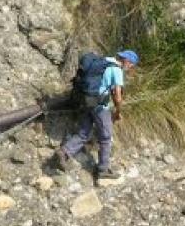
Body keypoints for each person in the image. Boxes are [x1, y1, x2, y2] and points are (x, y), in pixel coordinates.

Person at [55, 50, 139, 179]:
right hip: (100, 107)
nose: (130, 67)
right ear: (126, 61)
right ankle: (102, 169)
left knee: (83, 133)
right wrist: (117, 112)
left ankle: (64, 151)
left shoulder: (104, 62)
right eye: (131, 64)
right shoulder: (116, 70)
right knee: (106, 137)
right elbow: (117, 96)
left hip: (86, 101)